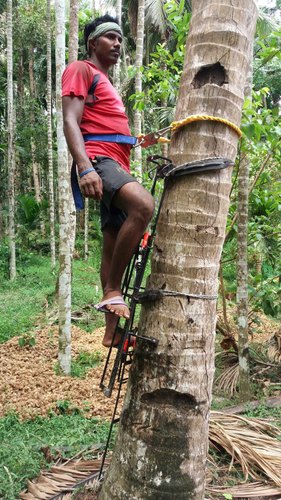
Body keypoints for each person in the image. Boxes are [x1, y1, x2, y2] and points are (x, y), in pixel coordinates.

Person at [62, 14, 154, 347]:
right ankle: (113, 291)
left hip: (115, 158)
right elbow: (71, 121)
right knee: (143, 206)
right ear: (92, 43)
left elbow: (106, 126)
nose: (117, 43)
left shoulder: (105, 81)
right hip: (99, 160)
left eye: (120, 39)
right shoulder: (82, 69)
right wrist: (85, 167)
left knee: (113, 240)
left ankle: (112, 331)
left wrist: (139, 141)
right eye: (110, 37)